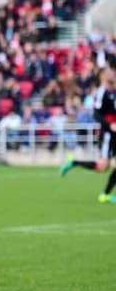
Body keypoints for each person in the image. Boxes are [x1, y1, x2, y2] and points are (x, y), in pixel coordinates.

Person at [60, 67, 116, 203]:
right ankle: (73, 162)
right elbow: (96, 114)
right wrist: (110, 126)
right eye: (110, 72)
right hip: (108, 134)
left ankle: (105, 195)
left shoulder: (112, 91)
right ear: (102, 76)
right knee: (103, 166)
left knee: (106, 167)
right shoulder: (102, 93)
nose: (113, 73)